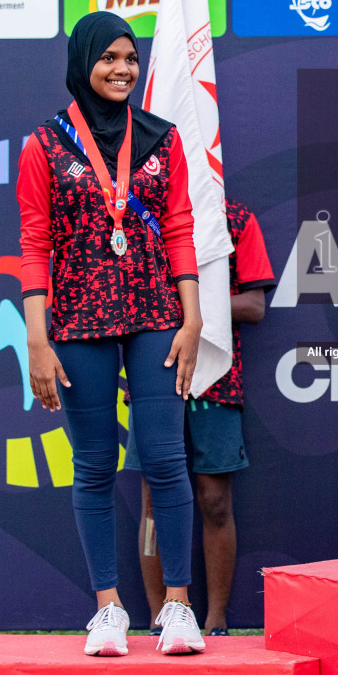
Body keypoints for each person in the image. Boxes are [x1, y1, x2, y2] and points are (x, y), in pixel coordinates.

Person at [18, 11, 205, 657]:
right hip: (75, 317)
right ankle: (108, 612)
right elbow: (34, 241)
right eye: (109, 58)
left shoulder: (163, 139)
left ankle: (178, 609)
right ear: (83, 63)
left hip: (157, 313)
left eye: (130, 57)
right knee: (95, 464)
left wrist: (194, 315)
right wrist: (36, 339)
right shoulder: (45, 144)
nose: (122, 68)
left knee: (165, 458)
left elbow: (180, 226)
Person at [126, 197, 276, 635]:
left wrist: (198, 306)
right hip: (153, 373)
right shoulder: (138, 214)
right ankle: (159, 620)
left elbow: (254, 306)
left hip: (217, 377)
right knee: (154, 502)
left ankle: (215, 622)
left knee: (213, 498)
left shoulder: (236, 219)